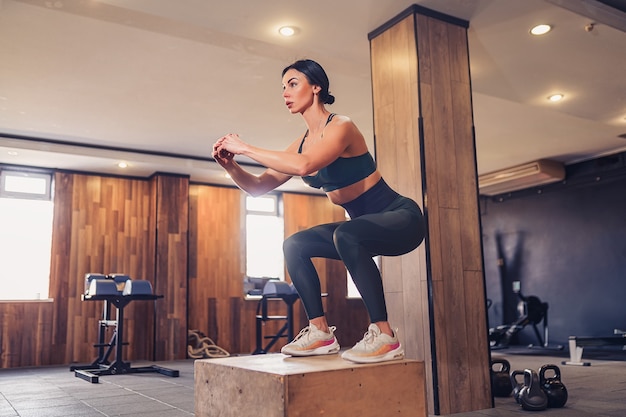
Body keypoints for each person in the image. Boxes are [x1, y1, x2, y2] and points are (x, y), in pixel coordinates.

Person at [212, 59, 426, 363]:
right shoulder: (299, 143)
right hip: (359, 229)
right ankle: (320, 331)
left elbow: (305, 166)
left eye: (293, 83)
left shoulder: (341, 126)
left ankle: (385, 336)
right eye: (283, 87)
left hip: (401, 218)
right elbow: (258, 187)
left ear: (316, 87)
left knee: (346, 234)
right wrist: (231, 165)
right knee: (294, 244)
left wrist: (245, 148)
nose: (285, 92)